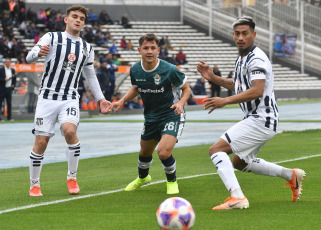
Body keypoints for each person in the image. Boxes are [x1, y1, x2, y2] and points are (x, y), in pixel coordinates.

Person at [196, 16, 306, 210]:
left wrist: (225, 101)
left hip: (261, 119)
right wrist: (213, 77)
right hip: (258, 119)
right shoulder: (242, 58)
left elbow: (257, 90)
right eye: (237, 33)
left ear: (253, 35)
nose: (240, 37)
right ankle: (291, 175)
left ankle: (237, 198)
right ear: (233, 35)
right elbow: (238, 85)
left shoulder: (256, 58)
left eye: (245, 33)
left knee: (216, 150)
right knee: (239, 163)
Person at [25, 5, 111, 197]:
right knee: (41, 142)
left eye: (81, 18)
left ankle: (72, 177)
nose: (78, 20)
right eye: (74, 16)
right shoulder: (52, 37)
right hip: (47, 97)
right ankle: (34, 184)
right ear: (66, 19)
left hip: (69, 98)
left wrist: (101, 99)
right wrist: (38, 53)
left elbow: (91, 76)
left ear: (84, 23)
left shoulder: (87, 48)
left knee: (70, 131)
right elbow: (29, 56)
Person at [110, 33, 191, 194]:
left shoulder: (169, 69)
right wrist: (122, 101)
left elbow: (187, 89)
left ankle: (172, 182)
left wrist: (180, 103)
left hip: (171, 114)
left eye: (153, 48)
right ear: (139, 50)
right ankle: (143, 178)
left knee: (163, 151)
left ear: (158, 50)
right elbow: (136, 87)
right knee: (144, 151)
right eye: (146, 48)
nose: (149, 51)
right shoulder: (135, 69)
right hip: (151, 117)